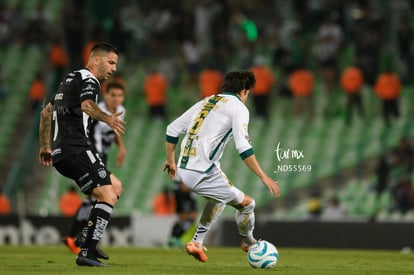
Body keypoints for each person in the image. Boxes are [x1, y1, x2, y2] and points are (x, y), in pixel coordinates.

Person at [164, 70, 280, 263]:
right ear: (243, 91)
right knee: (248, 204)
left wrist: (170, 160)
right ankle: (249, 243)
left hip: (186, 170)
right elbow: (243, 148)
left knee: (217, 199)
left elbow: (172, 129)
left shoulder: (206, 101)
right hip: (202, 172)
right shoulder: (239, 108)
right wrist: (263, 176)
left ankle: (197, 242)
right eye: (248, 94)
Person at [39, 42, 126, 267]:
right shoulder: (89, 80)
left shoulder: (69, 79)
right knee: (107, 195)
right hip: (76, 148)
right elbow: (87, 105)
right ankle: (86, 250)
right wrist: (108, 118)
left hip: (62, 152)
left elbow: (46, 112)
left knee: (114, 188)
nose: (114, 68)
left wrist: (45, 147)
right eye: (111, 62)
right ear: (96, 60)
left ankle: (88, 241)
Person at [62, 81, 127, 256]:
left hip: (99, 158)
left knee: (95, 198)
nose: (116, 99)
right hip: (91, 156)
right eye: (112, 95)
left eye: (119, 95)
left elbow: (115, 130)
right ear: (105, 96)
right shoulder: (98, 112)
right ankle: (83, 236)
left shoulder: (120, 111)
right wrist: (95, 159)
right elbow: (91, 135)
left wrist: (121, 147)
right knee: (111, 190)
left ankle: (78, 236)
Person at [169, 180, 198, 248]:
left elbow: (194, 213)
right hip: (181, 217)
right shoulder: (178, 195)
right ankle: (173, 242)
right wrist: (181, 215)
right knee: (176, 225)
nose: (185, 186)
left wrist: (188, 215)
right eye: (184, 184)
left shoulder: (191, 196)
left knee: (185, 225)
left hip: (189, 220)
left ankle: (179, 242)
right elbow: (176, 209)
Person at [250, 56, 275, 120]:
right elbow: (271, 81)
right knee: (263, 105)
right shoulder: (267, 71)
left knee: (257, 105)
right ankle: (263, 116)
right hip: (264, 91)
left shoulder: (252, 71)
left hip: (256, 92)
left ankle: (258, 116)